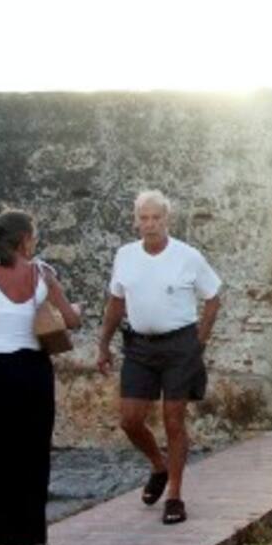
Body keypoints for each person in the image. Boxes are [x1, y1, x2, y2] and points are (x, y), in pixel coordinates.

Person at [97, 190, 222, 525]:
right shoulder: (125, 255)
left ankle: (175, 496)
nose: (150, 224)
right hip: (139, 347)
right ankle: (158, 465)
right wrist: (103, 343)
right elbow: (116, 302)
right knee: (130, 420)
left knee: (173, 420)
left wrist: (199, 342)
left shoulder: (188, 256)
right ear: (136, 221)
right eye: (144, 218)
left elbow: (213, 298)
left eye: (156, 218)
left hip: (180, 346)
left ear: (167, 220)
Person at [0, 210, 81, 545]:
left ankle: (9, 543)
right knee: (33, 454)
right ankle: (31, 538)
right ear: (26, 239)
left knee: (1, 457)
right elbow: (71, 320)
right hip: (35, 372)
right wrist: (72, 310)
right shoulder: (43, 273)